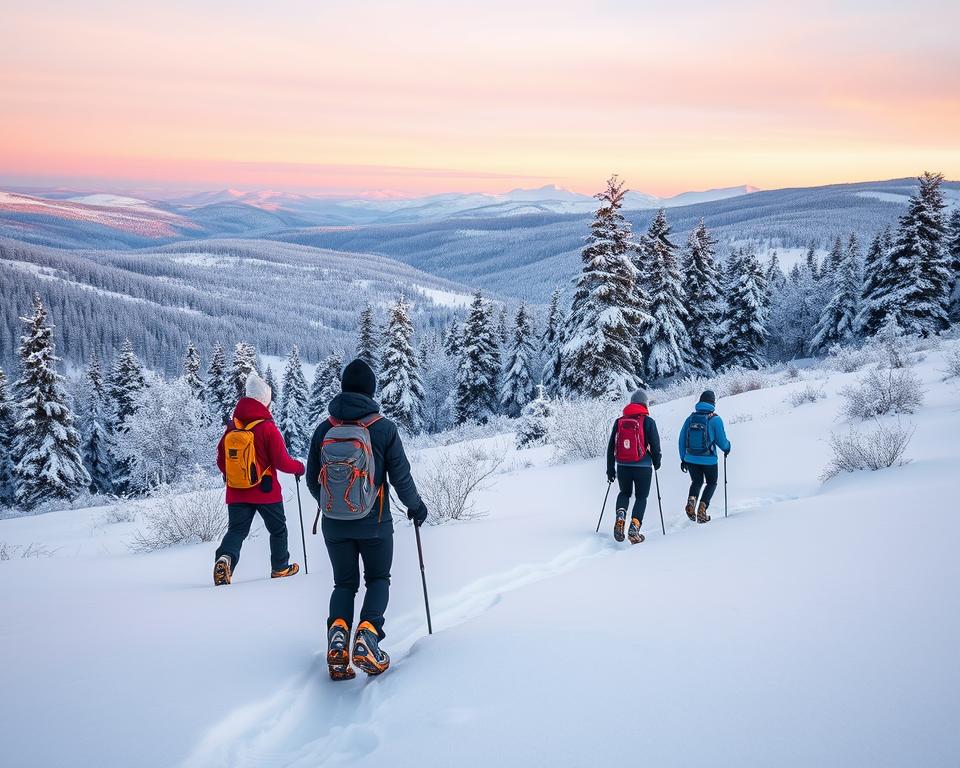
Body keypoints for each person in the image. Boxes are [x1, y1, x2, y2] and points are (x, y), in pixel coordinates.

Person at [306, 358, 427, 681]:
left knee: (344, 583)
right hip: (375, 524)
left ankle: (338, 639)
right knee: (377, 580)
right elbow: (401, 479)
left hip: (334, 524)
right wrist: (416, 507)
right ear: (371, 391)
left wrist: (332, 507)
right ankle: (368, 635)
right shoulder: (384, 429)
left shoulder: (324, 429)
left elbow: (310, 479)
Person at [213, 371, 305, 585]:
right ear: (265, 401)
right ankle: (280, 567)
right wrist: (299, 467)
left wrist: (235, 475)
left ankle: (225, 559)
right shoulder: (267, 428)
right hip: (266, 492)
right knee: (278, 529)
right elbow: (282, 462)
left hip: (236, 491)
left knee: (236, 531)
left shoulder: (232, 427)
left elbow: (220, 459)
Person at [606, 389, 662, 544]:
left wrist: (610, 468)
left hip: (622, 465)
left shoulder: (619, 421)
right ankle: (634, 528)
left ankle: (620, 517)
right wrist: (657, 462)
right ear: (645, 403)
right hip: (643, 466)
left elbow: (611, 446)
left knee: (624, 493)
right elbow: (655, 445)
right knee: (641, 497)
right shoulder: (648, 421)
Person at [678, 389, 731, 524]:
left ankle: (691, 501)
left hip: (690, 458)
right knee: (711, 482)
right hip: (709, 459)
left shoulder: (690, 418)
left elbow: (682, 439)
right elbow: (721, 441)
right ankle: (702, 509)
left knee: (696, 482)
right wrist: (727, 447)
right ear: (713, 403)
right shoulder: (715, 419)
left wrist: (683, 458)